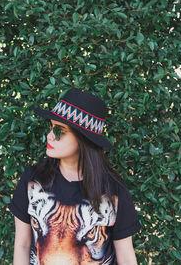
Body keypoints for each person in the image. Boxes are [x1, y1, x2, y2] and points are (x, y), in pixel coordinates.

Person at [9, 88, 141, 264]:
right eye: (51, 127)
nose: (49, 136)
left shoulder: (114, 190)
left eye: (59, 131)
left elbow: (125, 256)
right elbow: (23, 244)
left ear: (83, 139)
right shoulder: (32, 180)